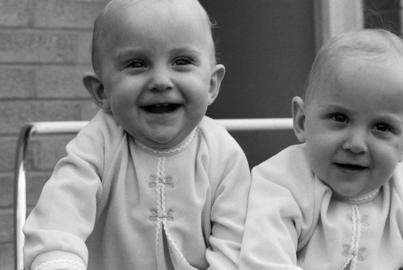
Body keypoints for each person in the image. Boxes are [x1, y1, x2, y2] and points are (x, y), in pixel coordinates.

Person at [23, 0, 251, 269]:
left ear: (211, 84)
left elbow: (234, 247)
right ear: (102, 92)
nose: (161, 81)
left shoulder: (223, 153)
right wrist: (57, 262)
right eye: (137, 64)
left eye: (182, 61)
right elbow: (58, 222)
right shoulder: (98, 145)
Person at [239, 29, 403, 270]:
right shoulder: (281, 181)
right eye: (339, 117)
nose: (355, 144)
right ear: (302, 122)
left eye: (382, 127)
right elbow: (264, 260)